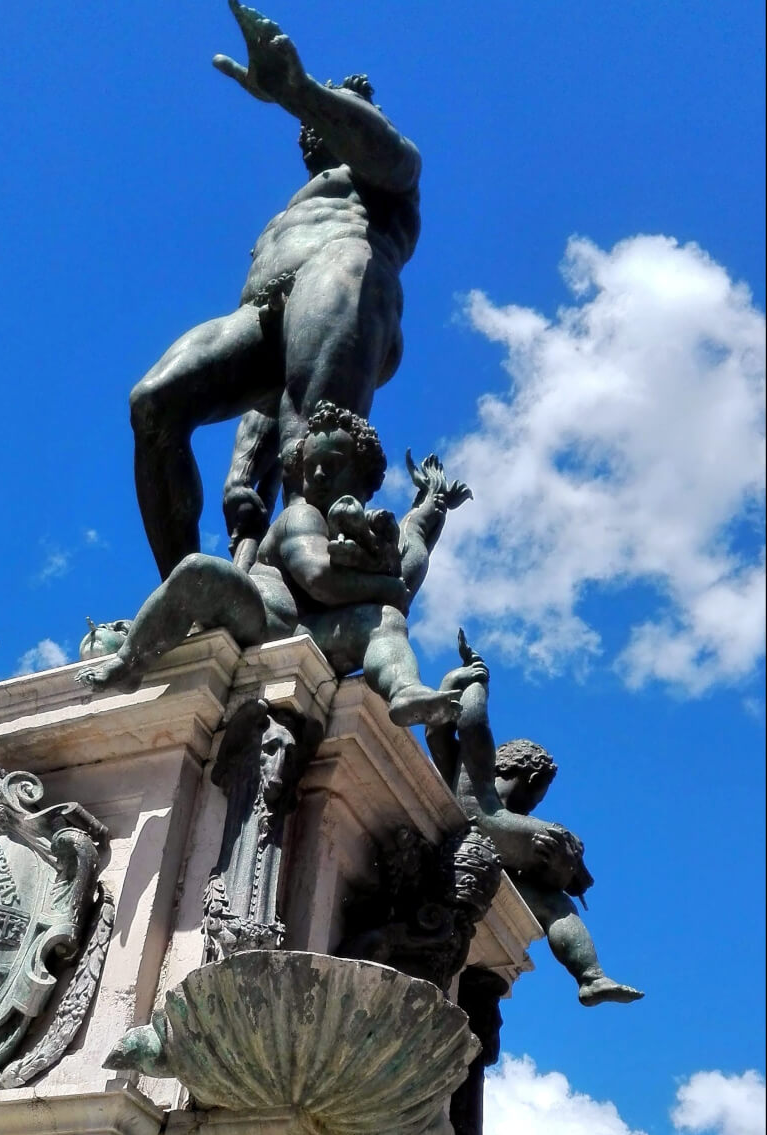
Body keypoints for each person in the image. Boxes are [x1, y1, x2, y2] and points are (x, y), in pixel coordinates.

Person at [130, 1, 422, 578]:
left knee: (311, 439)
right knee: (154, 406)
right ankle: (191, 596)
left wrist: (299, 89)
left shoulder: (381, 180)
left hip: (345, 275)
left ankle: (302, 581)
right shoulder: (294, 207)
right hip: (268, 312)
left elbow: (389, 153)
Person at [81, 402, 464, 729]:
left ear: (364, 478)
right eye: (310, 466)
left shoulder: (367, 531)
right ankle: (128, 661)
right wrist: (390, 589)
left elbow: (414, 541)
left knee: (384, 623)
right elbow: (318, 579)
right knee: (197, 570)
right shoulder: (302, 517)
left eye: (331, 466)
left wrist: (432, 502)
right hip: (257, 615)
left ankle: (403, 690)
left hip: (315, 633)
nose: (316, 475)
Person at [426, 632, 644, 1007]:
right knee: (562, 863)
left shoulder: (455, 769)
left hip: (486, 872)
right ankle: (590, 977)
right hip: (481, 834)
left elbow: (435, 729)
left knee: (554, 902)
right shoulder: (476, 773)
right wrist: (477, 680)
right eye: (542, 791)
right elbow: (472, 724)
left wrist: (454, 682)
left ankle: (590, 978)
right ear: (533, 780)